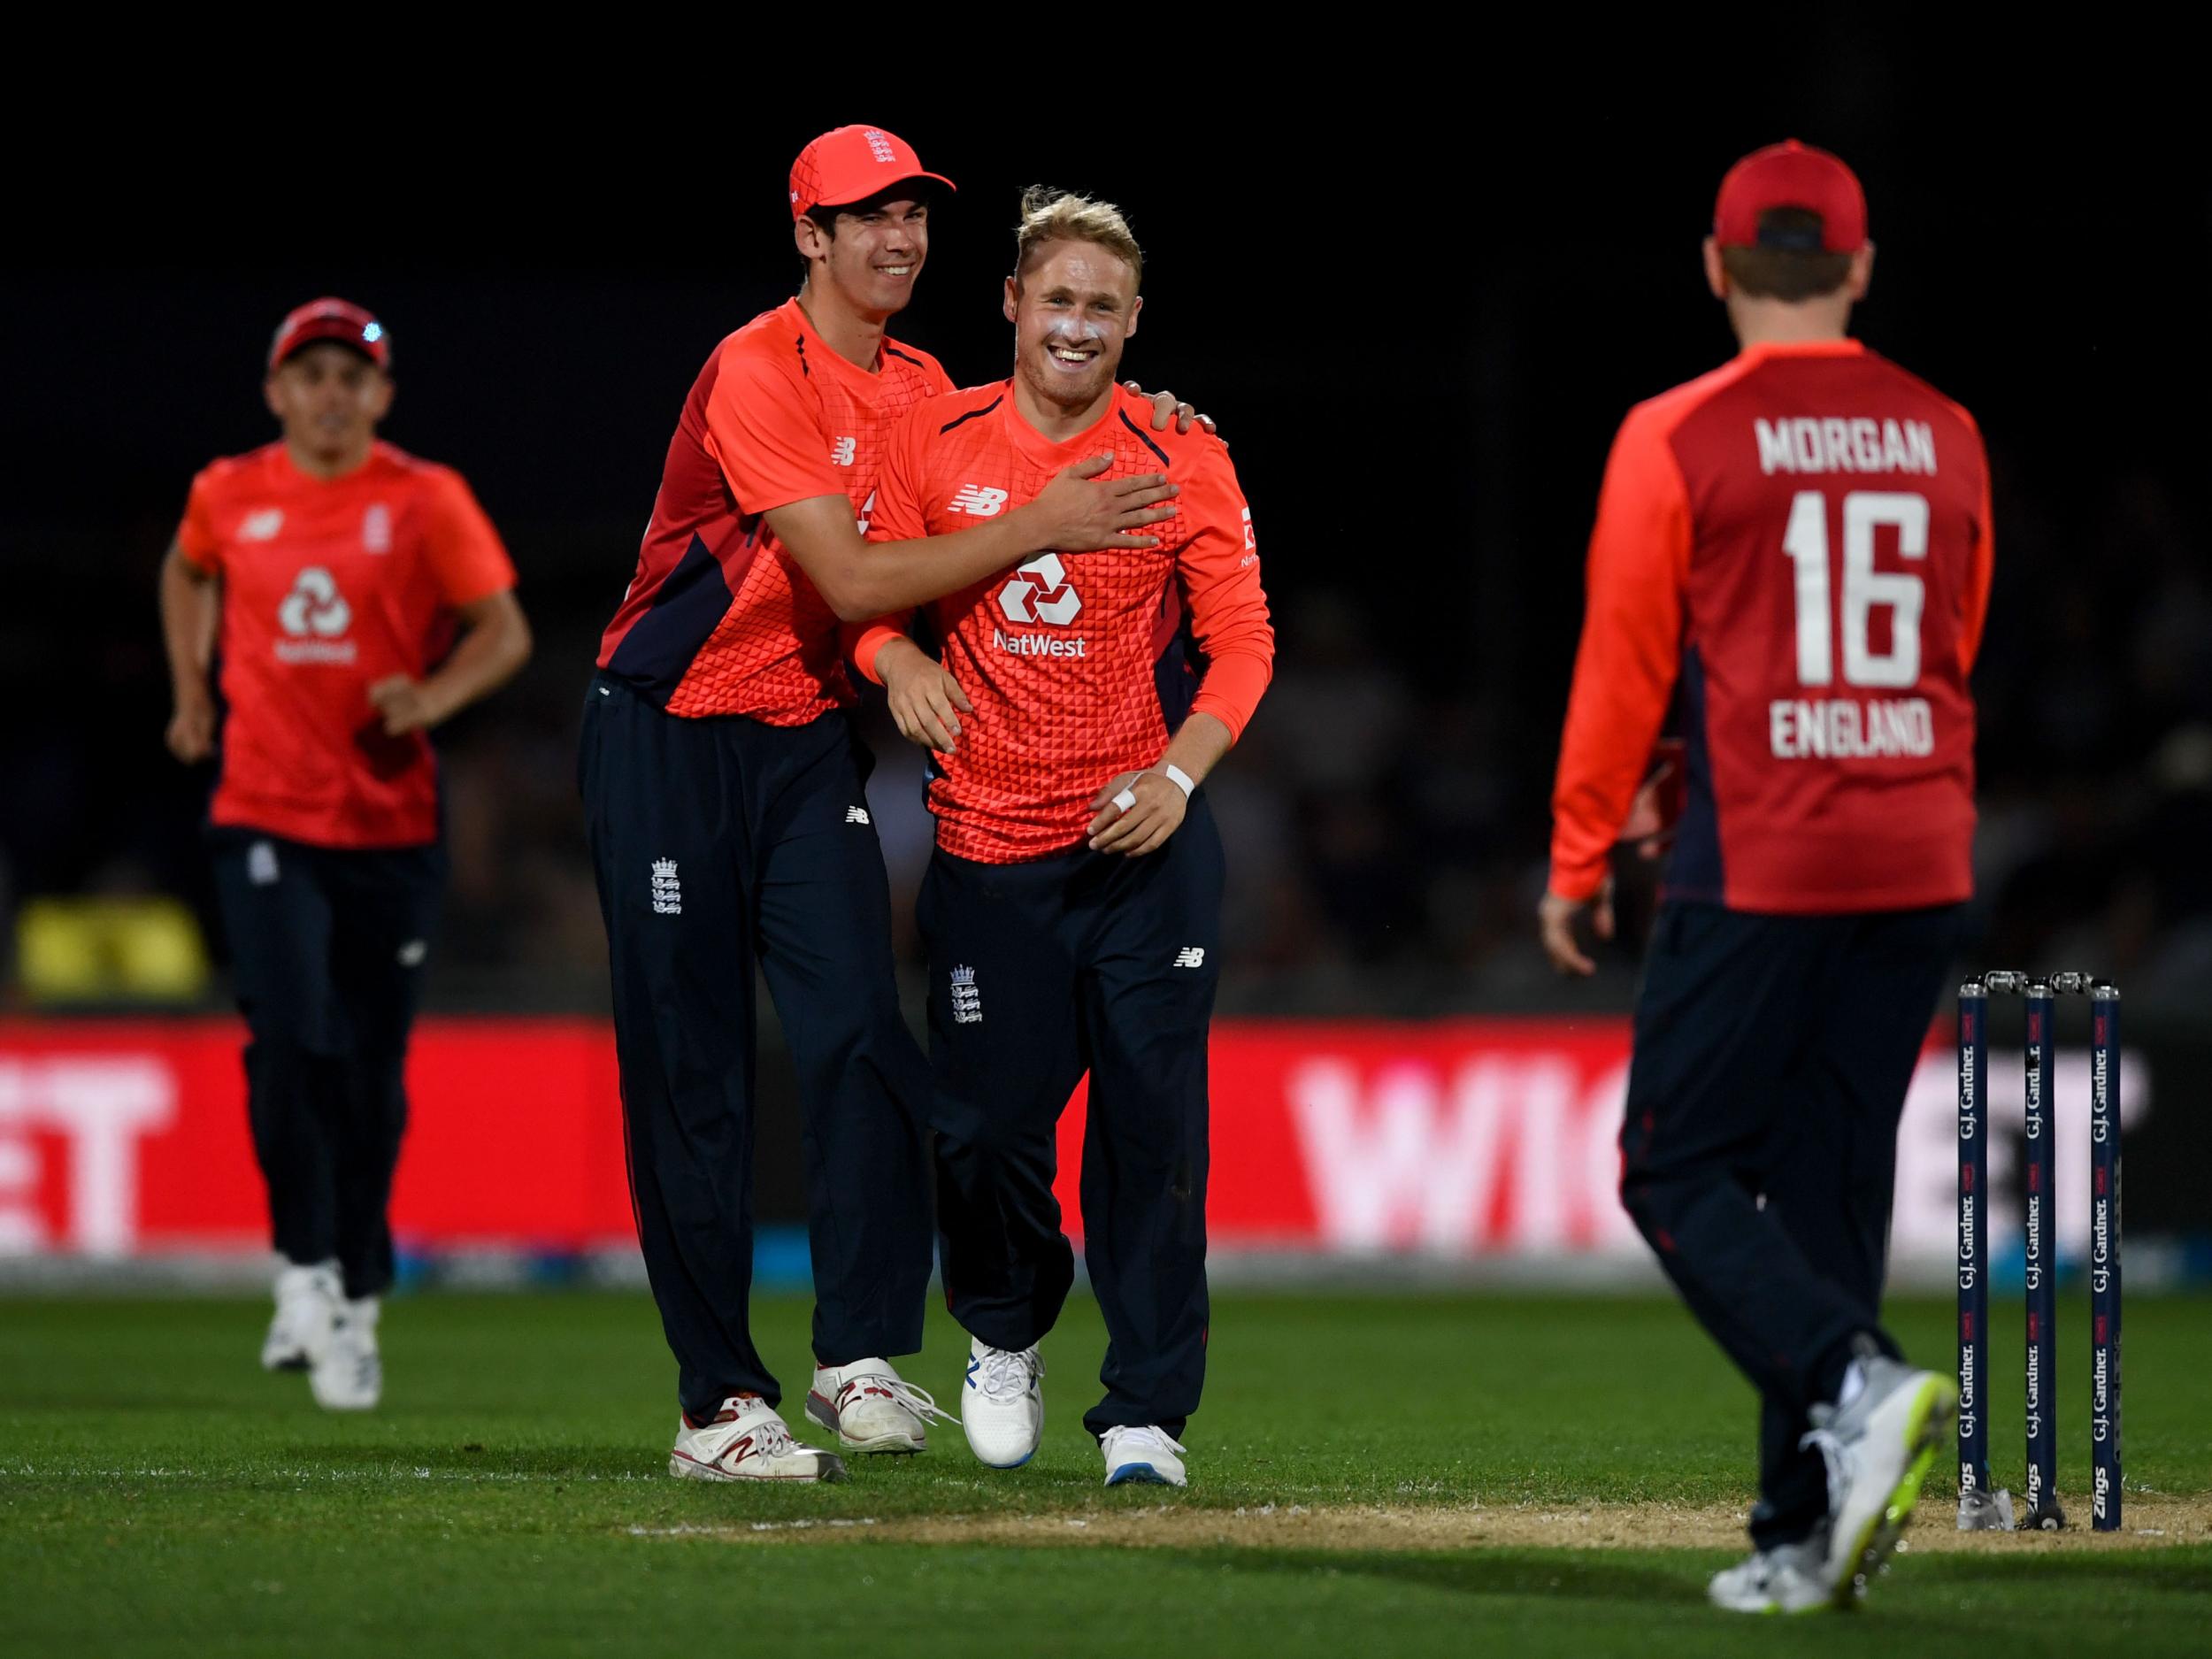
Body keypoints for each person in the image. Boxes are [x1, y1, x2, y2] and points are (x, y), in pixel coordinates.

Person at [582, 127, 1196, 1484]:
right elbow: (861, 580)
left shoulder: (923, 385)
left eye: (913, 214)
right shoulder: (755, 369)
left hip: (802, 738)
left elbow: (997, 478)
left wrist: (1162, 424)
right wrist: (1011, 551)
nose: (898, 239)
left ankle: (860, 1352)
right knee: (694, 1074)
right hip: (672, 733)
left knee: (864, 1029)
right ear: (809, 236)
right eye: (865, 217)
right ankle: (718, 1405)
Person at [1540, 141, 1993, 1611]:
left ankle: (1854, 1388)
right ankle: (1805, 1537)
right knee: (1828, 1193)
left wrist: (1580, 853)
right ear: (1861, 268)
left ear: (1718, 267)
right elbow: (1956, 638)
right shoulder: (1949, 430)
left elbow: (1623, 668)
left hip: (1767, 854)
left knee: (1671, 1167)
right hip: (1917, 847)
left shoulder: (1676, 431)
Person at [854, 188, 1272, 1489]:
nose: (1078, 324)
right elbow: (864, 599)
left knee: (1151, 1129)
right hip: (987, 846)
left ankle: (1145, 1410)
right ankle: (1004, 1327)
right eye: (1058, 299)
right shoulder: (931, 440)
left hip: (1143, 851)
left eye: (1103, 305)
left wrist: (1179, 776)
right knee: (981, 1133)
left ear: (1133, 320)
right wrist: (894, 663)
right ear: (1012, 305)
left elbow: (1245, 641)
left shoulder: (1182, 450)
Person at [159, 297, 532, 1411]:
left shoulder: (424, 499)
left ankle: (357, 1286)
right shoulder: (228, 492)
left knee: (369, 1071)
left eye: (350, 376)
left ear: (381, 395)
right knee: (287, 1041)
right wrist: (190, 690)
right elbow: (187, 572)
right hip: (267, 814)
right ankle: (305, 1272)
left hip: (389, 828)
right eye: (309, 375)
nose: (330, 394)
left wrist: (431, 699)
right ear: (276, 393)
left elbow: (502, 629)